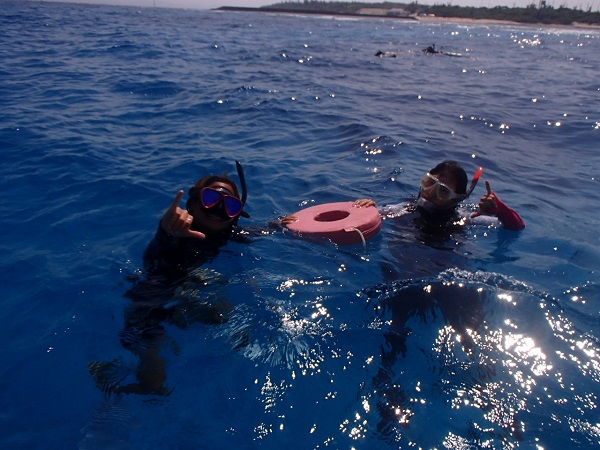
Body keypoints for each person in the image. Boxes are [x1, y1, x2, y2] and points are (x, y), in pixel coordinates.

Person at [90, 161, 249, 396]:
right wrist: (166, 231)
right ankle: (110, 382)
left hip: (185, 292)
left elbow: (263, 230)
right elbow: (165, 239)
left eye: (230, 204)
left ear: (235, 214)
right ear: (193, 204)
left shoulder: (231, 234)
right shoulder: (177, 231)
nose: (218, 209)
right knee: (154, 385)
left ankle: (177, 317)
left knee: (224, 320)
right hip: (153, 294)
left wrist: (280, 224)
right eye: (210, 199)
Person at [354, 160, 525, 231]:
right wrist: (368, 207)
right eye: (429, 184)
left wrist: (499, 209)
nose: (430, 193)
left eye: (443, 191)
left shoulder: (464, 219)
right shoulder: (404, 209)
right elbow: (372, 216)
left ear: (456, 199)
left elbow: (516, 227)